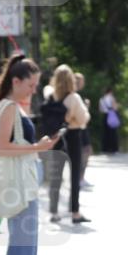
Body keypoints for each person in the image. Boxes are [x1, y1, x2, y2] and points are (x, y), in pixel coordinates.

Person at [0, 54, 61, 255]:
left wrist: (38, 145)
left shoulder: (14, 106)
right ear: (16, 81)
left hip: (25, 187)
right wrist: (37, 148)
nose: (34, 91)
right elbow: (3, 148)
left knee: (26, 250)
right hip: (19, 189)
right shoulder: (8, 107)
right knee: (22, 250)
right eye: (30, 85)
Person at [45, 65, 91, 224]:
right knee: (74, 175)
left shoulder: (51, 96)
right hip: (73, 137)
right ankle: (75, 212)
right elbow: (83, 120)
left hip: (56, 137)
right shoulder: (74, 98)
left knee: (55, 176)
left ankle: (53, 211)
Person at [75, 73, 93, 189]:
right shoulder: (75, 96)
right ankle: (79, 178)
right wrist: (86, 107)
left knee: (86, 152)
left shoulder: (77, 95)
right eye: (81, 81)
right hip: (79, 129)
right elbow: (80, 115)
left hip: (82, 129)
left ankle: (81, 178)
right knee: (84, 153)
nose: (83, 83)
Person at [99, 87, 120, 153]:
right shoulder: (111, 98)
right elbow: (115, 108)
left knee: (105, 133)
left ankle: (105, 148)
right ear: (110, 92)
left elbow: (101, 109)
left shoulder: (102, 99)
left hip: (105, 116)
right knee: (113, 133)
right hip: (111, 116)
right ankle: (113, 149)